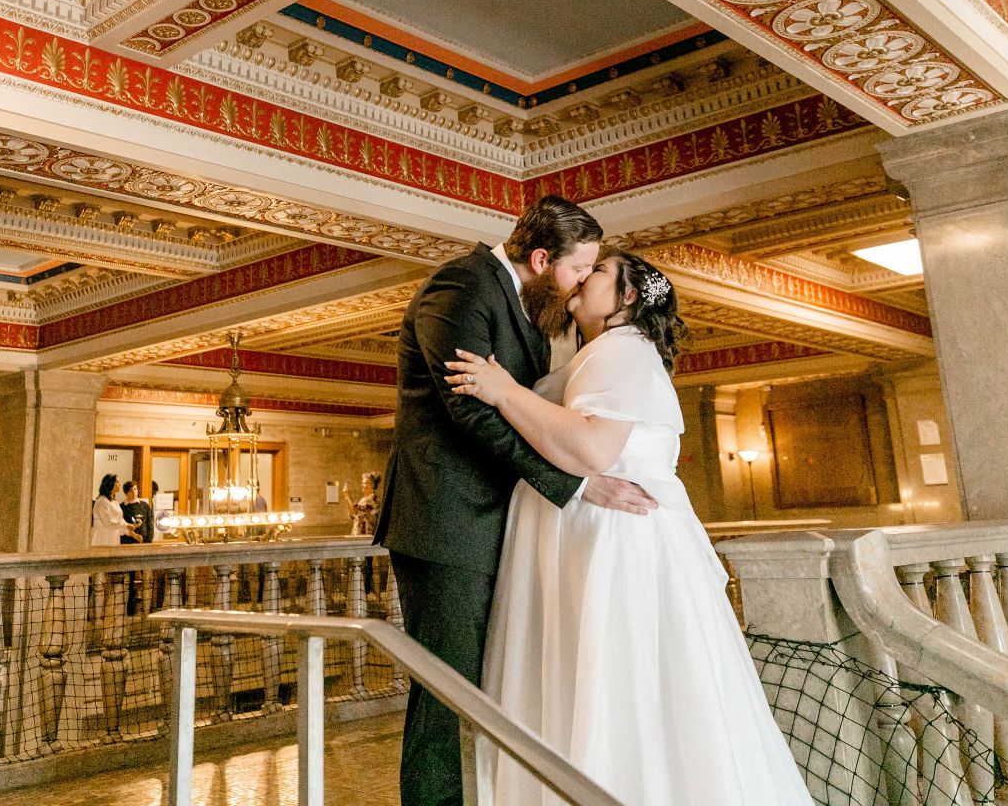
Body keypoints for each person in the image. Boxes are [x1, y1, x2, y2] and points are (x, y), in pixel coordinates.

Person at [446, 249, 816, 806]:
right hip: (593, 537)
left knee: (608, 685)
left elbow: (592, 447)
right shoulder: (604, 354)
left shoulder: (622, 351)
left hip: (611, 543)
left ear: (627, 297)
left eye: (598, 271)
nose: (581, 276)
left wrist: (502, 391)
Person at [376, 195, 658, 806]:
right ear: (539, 258)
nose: (584, 279)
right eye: (579, 269)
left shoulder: (531, 310)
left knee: (488, 690)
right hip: (447, 525)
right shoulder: (461, 285)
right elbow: (469, 411)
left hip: (495, 523)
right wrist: (576, 483)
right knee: (446, 693)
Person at [90, 474, 136, 546]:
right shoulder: (102, 501)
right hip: (102, 538)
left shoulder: (114, 502)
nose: (119, 484)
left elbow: (119, 520)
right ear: (110, 484)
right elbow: (107, 522)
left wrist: (130, 532)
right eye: (117, 482)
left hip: (113, 539)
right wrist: (126, 525)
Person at [343, 471, 381, 537]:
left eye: (365, 483)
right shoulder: (364, 499)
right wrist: (346, 497)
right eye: (362, 483)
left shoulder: (373, 498)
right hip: (358, 536)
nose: (362, 485)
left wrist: (348, 495)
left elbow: (355, 509)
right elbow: (353, 515)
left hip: (367, 537)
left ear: (372, 485)